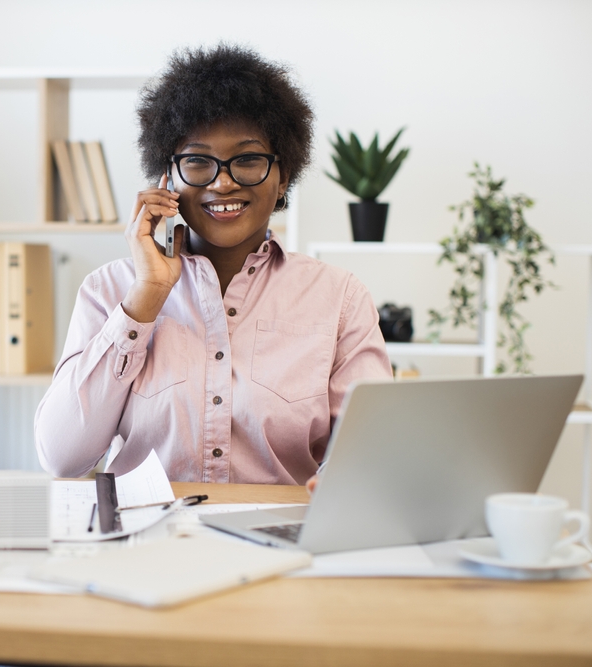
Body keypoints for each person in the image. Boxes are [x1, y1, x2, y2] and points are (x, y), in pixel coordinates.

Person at [34, 44, 391, 489]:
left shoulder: (339, 297)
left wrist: (343, 477)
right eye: (198, 161)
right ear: (168, 179)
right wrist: (144, 299)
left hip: (276, 544)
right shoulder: (109, 289)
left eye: (248, 160)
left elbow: (377, 452)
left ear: (283, 178)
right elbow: (62, 456)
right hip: (149, 545)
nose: (223, 181)